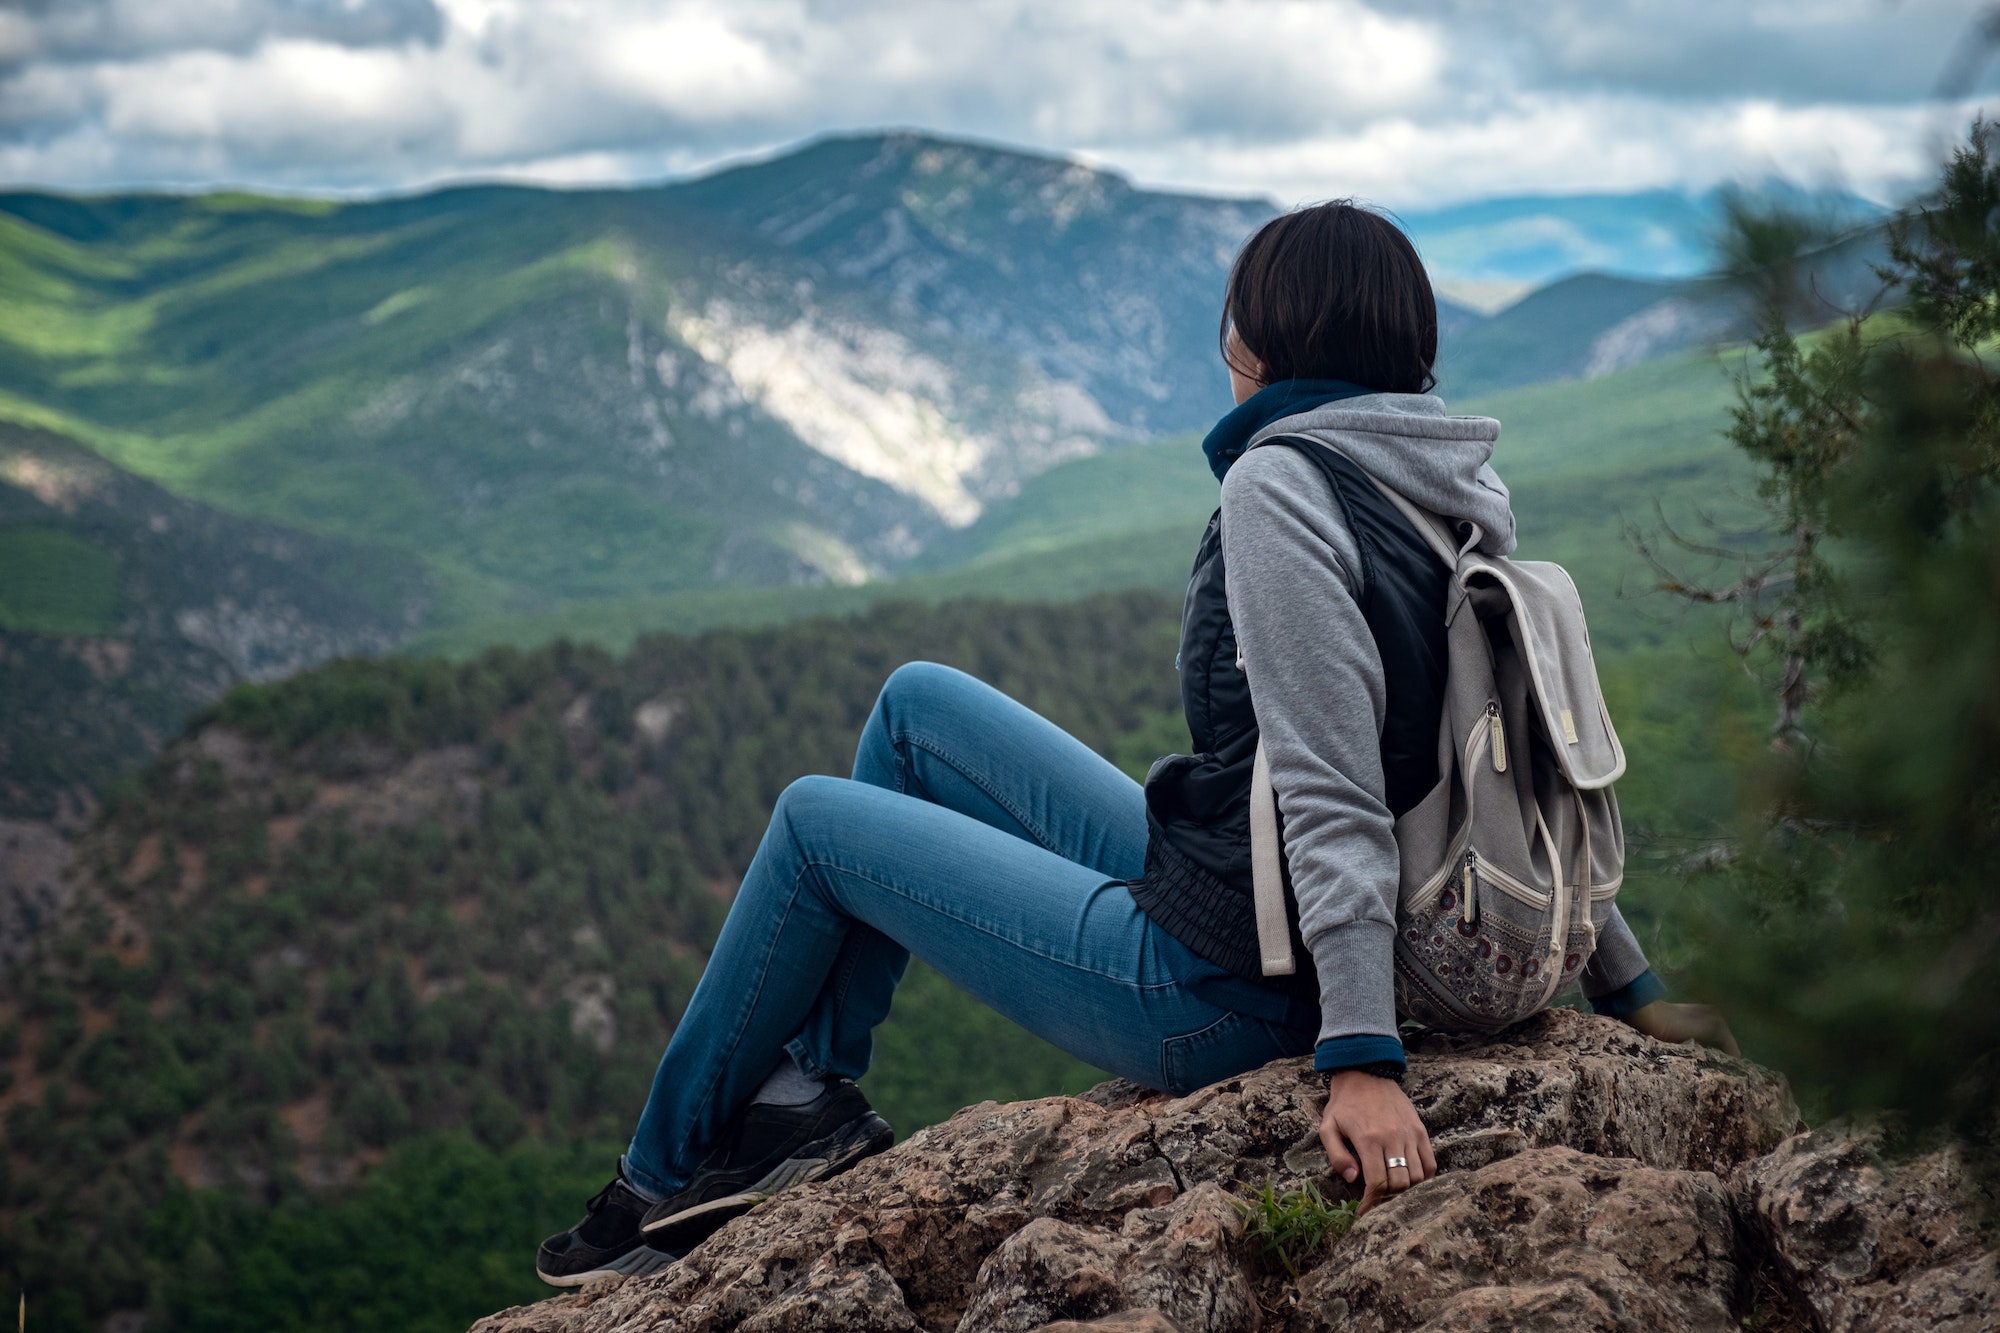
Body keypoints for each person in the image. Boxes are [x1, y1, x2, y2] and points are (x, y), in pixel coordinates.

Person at [534, 200, 1739, 1287]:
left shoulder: (1283, 484)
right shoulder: (1438, 480)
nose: (1223, 343)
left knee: (811, 821)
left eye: (1235, 319)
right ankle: (799, 1094)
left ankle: (659, 1174)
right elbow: (1512, 767)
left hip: (1226, 983)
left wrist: (1360, 1057)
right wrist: (1626, 986)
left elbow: (1332, 791)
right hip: (1243, 890)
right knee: (914, 706)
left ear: (1267, 345)